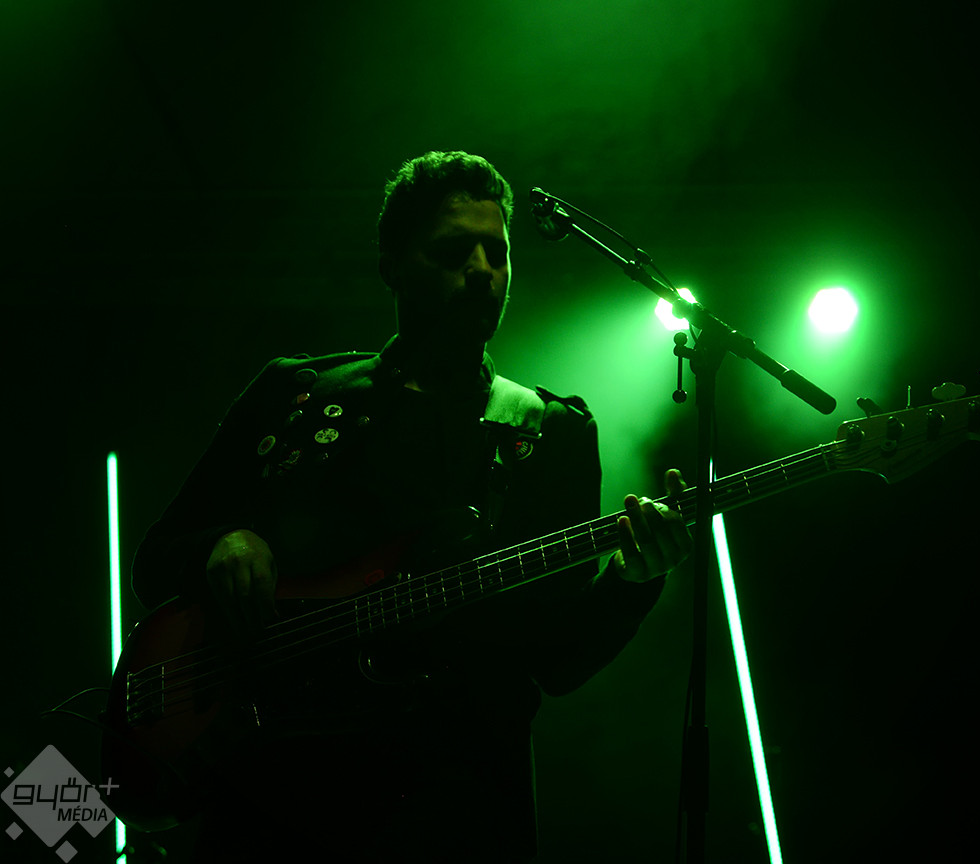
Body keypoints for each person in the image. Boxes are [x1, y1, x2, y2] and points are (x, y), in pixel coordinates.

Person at [129, 150, 691, 862]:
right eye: (454, 251)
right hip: (272, 794)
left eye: (498, 253)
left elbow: (555, 661)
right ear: (392, 266)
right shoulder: (295, 394)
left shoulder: (550, 432)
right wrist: (221, 544)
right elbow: (155, 561)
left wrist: (632, 582)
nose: (483, 270)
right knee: (35, 811)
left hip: (454, 811)